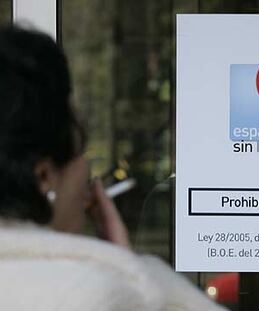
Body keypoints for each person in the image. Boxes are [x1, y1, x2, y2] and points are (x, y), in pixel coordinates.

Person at [0, 26, 226, 311]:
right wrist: (130, 271)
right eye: (81, 154)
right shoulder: (100, 295)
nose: (88, 175)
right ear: (44, 176)